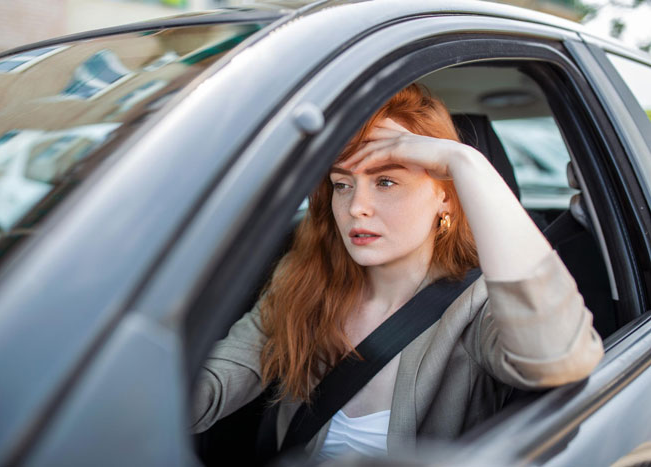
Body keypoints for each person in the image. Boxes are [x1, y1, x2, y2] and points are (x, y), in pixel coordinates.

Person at [190, 83, 604, 460]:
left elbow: (558, 358)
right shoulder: (303, 283)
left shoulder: (477, 308)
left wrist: (465, 161)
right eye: (341, 184)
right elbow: (212, 385)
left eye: (386, 181)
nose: (355, 207)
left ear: (445, 195)